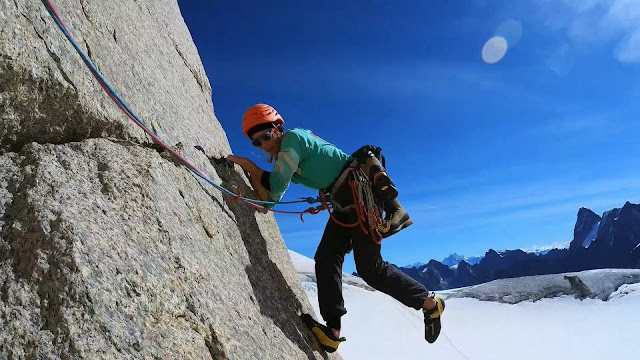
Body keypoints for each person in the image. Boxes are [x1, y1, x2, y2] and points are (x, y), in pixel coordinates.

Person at [227, 104, 445, 352]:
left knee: (370, 269)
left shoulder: (292, 141)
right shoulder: (288, 152)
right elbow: (271, 195)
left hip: (360, 198)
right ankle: (332, 331)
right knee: (326, 258)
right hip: (346, 203)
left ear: (278, 128)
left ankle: (430, 304)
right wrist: (249, 171)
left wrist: (246, 164)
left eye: (265, 136)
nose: (263, 145)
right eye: (256, 143)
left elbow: (273, 190)